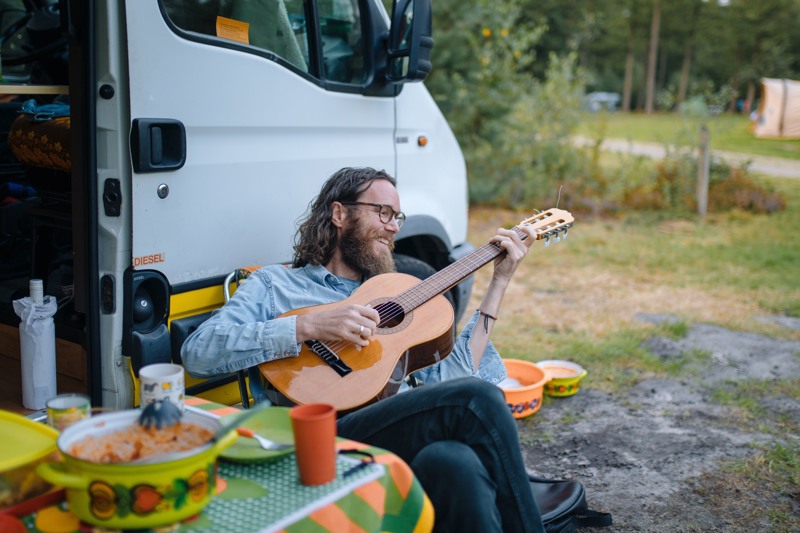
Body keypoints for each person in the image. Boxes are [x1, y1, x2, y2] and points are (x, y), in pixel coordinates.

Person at [182, 167, 544, 532]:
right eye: (383, 212)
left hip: (395, 428)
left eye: (397, 217)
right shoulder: (276, 285)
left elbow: (455, 381)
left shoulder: (399, 292)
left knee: (454, 460)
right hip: (320, 438)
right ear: (340, 214)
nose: (394, 227)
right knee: (475, 399)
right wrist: (309, 326)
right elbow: (198, 353)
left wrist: (499, 281)